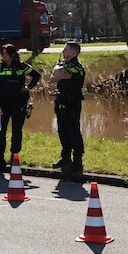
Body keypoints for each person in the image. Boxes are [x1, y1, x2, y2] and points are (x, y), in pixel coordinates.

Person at [0, 43, 41, 174]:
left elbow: (36, 75)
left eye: (4, 53)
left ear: (12, 55)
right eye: (1, 53)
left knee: (16, 130)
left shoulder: (21, 67)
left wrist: (28, 87)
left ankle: (15, 156)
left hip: (18, 103)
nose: (2, 56)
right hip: (1, 105)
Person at [49, 41, 86, 179]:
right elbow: (53, 76)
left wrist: (60, 74)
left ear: (73, 52)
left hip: (72, 102)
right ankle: (65, 158)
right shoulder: (64, 64)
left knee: (73, 131)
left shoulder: (78, 66)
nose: (63, 51)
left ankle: (77, 162)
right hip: (62, 101)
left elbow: (58, 73)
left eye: (65, 49)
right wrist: (61, 74)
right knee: (62, 131)